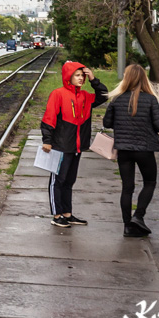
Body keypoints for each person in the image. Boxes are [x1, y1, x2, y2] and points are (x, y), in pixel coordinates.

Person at [40, 61, 108, 228]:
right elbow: (49, 118)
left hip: (77, 146)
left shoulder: (85, 96)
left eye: (82, 76)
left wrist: (94, 79)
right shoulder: (58, 94)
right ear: (68, 77)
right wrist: (47, 140)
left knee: (69, 181)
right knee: (58, 181)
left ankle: (67, 214)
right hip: (61, 145)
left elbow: (103, 95)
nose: (81, 78)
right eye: (77, 75)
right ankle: (57, 215)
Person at [102, 63, 159, 238]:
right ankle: (138, 216)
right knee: (149, 182)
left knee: (127, 187)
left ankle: (127, 227)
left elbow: (107, 123)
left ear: (126, 78)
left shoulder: (117, 98)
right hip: (145, 150)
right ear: (144, 79)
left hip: (124, 150)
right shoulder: (151, 99)